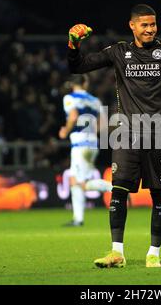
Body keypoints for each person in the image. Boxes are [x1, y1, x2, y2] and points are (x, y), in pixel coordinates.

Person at [67, 4, 161, 267]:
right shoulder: (119, 51)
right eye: (144, 25)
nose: (150, 29)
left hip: (159, 133)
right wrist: (73, 44)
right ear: (132, 26)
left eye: (153, 25)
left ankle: (153, 254)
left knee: (159, 195)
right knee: (118, 191)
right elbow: (78, 66)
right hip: (126, 134)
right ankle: (117, 252)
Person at [59, 74, 113, 226]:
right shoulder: (95, 101)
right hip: (92, 143)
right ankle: (78, 219)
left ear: (73, 84)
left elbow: (73, 115)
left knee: (80, 182)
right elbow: (103, 126)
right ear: (85, 83)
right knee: (75, 180)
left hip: (79, 144)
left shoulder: (70, 98)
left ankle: (116, 189)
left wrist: (65, 130)